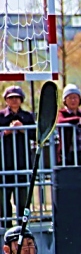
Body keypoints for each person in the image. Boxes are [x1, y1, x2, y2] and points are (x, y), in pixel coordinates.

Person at [0, 86, 36, 228]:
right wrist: (6, 132)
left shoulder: (27, 116)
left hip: (22, 161)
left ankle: (23, 227)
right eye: (11, 97)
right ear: (6, 100)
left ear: (21, 99)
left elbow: (35, 135)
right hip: (4, 162)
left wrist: (22, 129)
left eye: (17, 97)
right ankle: (5, 225)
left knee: (23, 198)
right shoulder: (1, 116)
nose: (14, 100)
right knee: (3, 198)